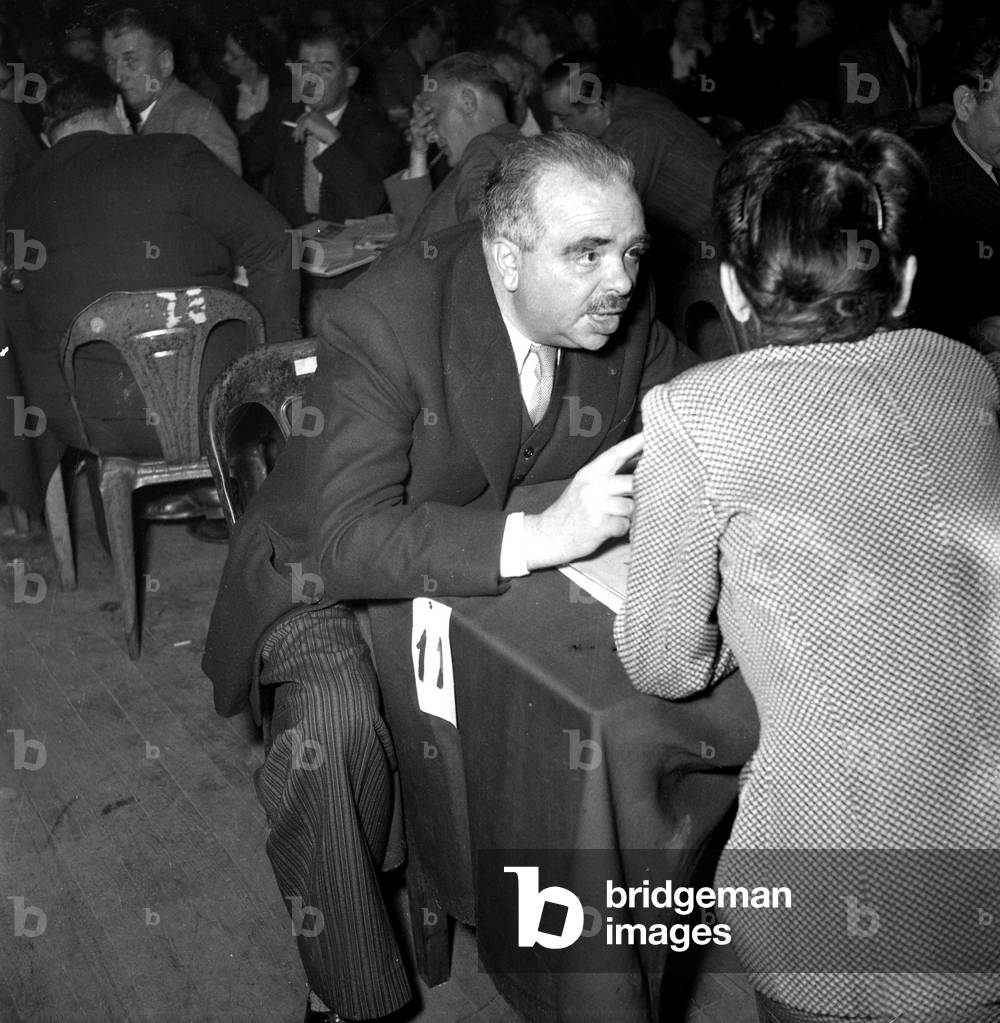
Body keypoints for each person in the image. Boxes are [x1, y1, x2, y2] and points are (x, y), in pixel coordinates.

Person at [203, 130, 698, 1023]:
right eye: (585, 254)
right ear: (505, 258)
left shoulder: (622, 307)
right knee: (334, 724)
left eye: (630, 250)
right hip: (329, 571)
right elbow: (348, 537)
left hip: (488, 579)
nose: (620, 280)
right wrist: (541, 531)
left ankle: (562, 927)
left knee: (616, 702)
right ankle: (346, 991)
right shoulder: (386, 317)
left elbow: (699, 420)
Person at [615, 121, 1000, 1022]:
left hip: (850, 875)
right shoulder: (964, 372)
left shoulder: (694, 413)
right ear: (900, 276)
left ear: (730, 294)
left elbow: (664, 664)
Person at [2, 62, 299, 465]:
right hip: (219, 404)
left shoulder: (17, 198)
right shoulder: (173, 153)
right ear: (122, 113)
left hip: (94, 425)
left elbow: (21, 318)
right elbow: (274, 243)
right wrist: (274, 362)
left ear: (45, 137)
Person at [542, 53, 722, 287]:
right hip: (704, 240)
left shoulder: (634, 130)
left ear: (596, 107)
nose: (555, 127)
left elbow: (602, 212)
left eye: (563, 117)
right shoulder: (625, 99)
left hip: (727, 241)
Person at [246, 25, 400, 229]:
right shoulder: (284, 107)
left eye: (325, 69)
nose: (311, 79)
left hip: (348, 245)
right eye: (305, 67)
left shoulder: (373, 125)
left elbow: (369, 205)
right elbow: (246, 162)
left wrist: (333, 139)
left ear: (350, 76)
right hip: (291, 240)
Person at [384, 52, 521, 247]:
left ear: (467, 102)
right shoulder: (509, 148)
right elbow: (419, 232)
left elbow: (476, 253)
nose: (430, 135)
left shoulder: (486, 153)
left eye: (433, 114)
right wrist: (418, 152)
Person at [917, 35, 1000, 343]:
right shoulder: (926, 191)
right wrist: (976, 329)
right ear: (966, 103)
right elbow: (930, 315)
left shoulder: (986, 154)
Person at [102, 7, 241, 175]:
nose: (117, 77)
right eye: (110, 62)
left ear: (165, 63)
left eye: (130, 60)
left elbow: (224, 196)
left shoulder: (196, 119)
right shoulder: (121, 116)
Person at [835, 0, 952, 134]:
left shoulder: (919, 49)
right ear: (907, 10)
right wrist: (917, 117)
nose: (939, 28)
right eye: (933, 18)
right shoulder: (858, 56)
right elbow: (854, 127)